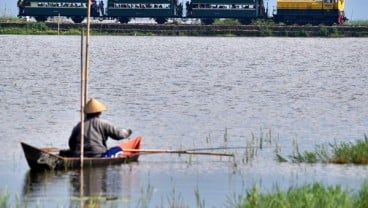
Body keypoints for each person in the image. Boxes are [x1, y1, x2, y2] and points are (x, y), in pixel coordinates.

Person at [67, 98, 132, 157]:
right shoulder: (103, 123)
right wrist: (127, 132)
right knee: (118, 149)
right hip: (98, 153)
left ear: (86, 113)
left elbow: (71, 143)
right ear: (99, 112)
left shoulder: (79, 125)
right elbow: (118, 135)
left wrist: (76, 150)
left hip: (80, 154)